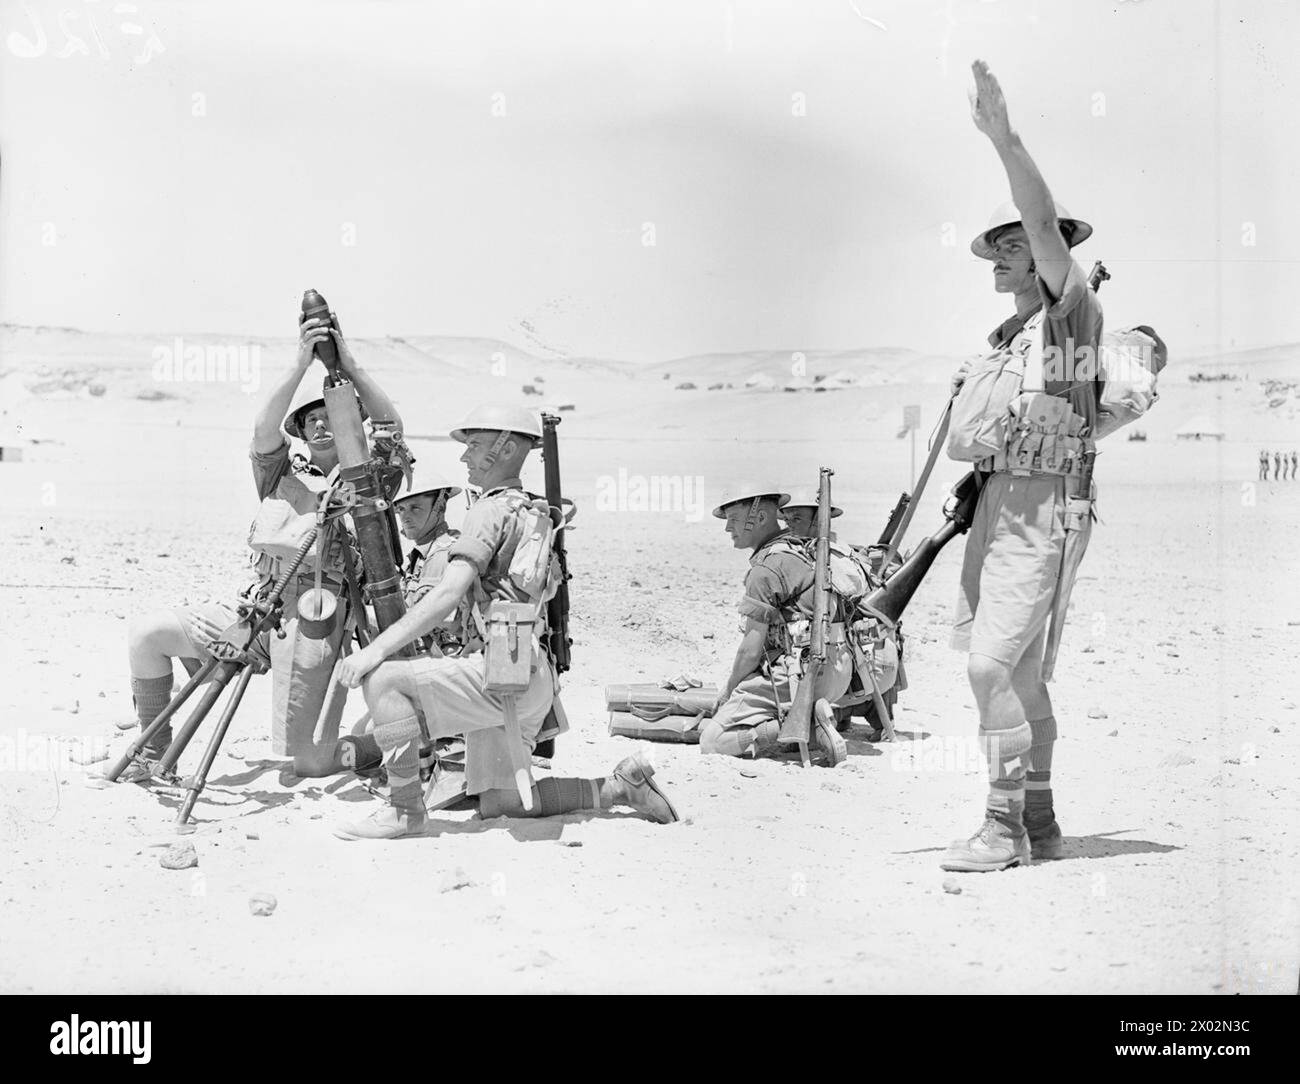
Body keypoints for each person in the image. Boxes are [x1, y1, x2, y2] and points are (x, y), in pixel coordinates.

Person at [330, 405, 679, 840]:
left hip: (500, 673)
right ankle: (618, 788)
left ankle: (404, 811)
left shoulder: (489, 511)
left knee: (383, 682)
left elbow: (448, 594)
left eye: (474, 445)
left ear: (507, 448)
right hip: (525, 674)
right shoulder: (532, 510)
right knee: (503, 805)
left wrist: (374, 650)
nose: (465, 457)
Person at [942, 61, 1105, 872]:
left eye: (1014, 247)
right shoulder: (1007, 341)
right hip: (998, 508)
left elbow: (1043, 221)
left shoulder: (1070, 317)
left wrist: (1004, 140)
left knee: (990, 666)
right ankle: (1039, 822)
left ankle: (1001, 828)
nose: (1001, 259)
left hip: (1045, 507)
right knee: (1022, 675)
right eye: (996, 249)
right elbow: (964, 437)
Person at [122, 313, 402, 777]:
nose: (320, 425)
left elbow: (391, 425)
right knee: (147, 635)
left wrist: (347, 365)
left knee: (307, 762)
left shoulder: (373, 480)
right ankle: (153, 755)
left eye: (329, 414)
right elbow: (262, 432)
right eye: (310, 420)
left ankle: (372, 744)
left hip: (319, 621)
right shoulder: (281, 474)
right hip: (257, 611)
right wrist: (299, 365)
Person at [697, 487, 850, 765]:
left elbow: (750, 652)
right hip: (839, 673)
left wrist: (729, 689)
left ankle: (808, 729)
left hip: (798, 676)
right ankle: (817, 717)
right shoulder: (803, 547)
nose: (728, 528)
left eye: (733, 518)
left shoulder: (767, 568)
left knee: (711, 740)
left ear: (761, 515)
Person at [393, 475, 466, 655]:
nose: (405, 517)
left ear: (440, 506)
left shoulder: (443, 554)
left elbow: (443, 623)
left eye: (415, 508)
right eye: (401, 509)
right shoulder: (421, 556)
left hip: (447, 659)